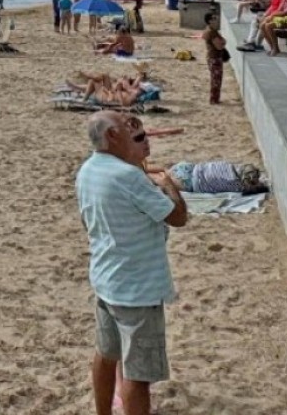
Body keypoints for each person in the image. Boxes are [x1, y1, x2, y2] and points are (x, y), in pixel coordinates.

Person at [76, 110, 188, 415]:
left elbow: (89, 222)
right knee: (137, 374)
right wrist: (169, 186)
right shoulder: (128, 177)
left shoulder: (88, 170)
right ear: (112, 136)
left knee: (106, 354)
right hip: (138, 289)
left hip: (106, 278)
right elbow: (178, 217)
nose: (134, 130)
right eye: (127, 128)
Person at [202, 12, 229, 105]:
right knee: (216, 80)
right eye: (213, 18)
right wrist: (223, 42)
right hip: (215, 58)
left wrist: (223, 42)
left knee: (216, 79)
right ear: (209, 21)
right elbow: (219, 46)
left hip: (212, 57)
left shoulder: (211, 30)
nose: (216, 20)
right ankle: (214, 100)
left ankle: (215, 99)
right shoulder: (211, 32)